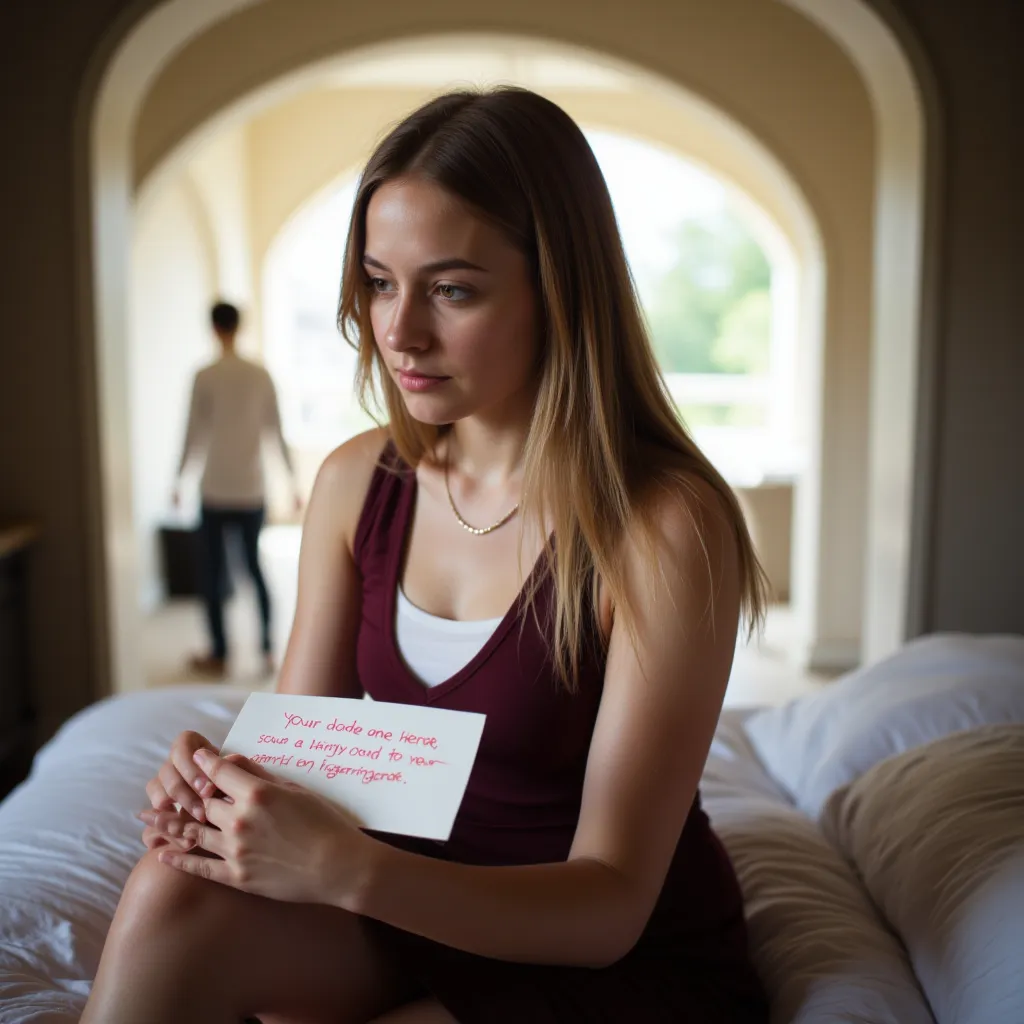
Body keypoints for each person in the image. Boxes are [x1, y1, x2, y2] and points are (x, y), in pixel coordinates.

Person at [83, 88, 771, 1023]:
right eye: (377, 281)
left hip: (594, 952)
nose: (399, 332)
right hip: (407, 897)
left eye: (451, 289)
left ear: (559, 288)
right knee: (171, 897)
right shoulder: (356, 483)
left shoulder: (661, 526)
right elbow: (298, 760)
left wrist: (349, 869)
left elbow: (609, 904)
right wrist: (223, 796)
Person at [172, 301, 302, 678]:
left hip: (214, 489)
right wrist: (292, 482)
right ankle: (266, 651)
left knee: (211, 573)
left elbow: (192, 433)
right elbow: (277, 431)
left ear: (213, 328)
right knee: (255, 569)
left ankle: (219, 652)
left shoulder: (205, 375)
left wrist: (179, 479)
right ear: (238, 327)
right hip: (251, 490)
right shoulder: (259, 375)